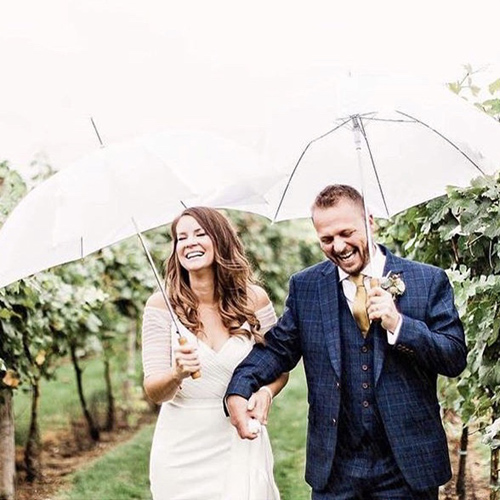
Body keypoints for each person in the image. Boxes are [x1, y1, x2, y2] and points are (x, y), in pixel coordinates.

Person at [226, 184, 467, 500]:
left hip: (407, 465)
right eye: (326, 239)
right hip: (336, 467)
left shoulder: (427, 280)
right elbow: (276, 349)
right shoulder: (307, 286)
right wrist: (238, 389)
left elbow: (453, 357)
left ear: (370, 222)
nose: (338, 246)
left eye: (346, 233)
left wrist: (400, 324)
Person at [141, 206, 287, 500]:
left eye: (199, 233)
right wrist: (176, 374)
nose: (189, 242)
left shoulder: (254, 299)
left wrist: (265, 393)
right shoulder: (160, 306)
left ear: (220, 240)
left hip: (239, 434)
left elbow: (279, 367)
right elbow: (154, 391)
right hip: (181, 449)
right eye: (181, 238)